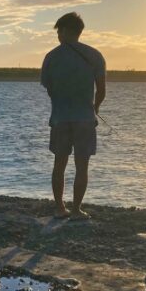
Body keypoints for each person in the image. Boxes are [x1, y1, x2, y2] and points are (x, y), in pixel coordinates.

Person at [40, 12, 106, 220]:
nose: (58, 35)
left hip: (60, 117)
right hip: (85, 118)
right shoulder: (94, 55)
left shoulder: (51, 56)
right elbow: (101, 90)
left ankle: (60, 208)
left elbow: (49, 88)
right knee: (82, 165)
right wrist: (94, 108)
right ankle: (77, 209)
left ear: (66, 31)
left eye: (59, 31)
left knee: (59, 164)